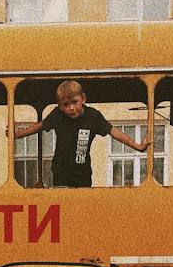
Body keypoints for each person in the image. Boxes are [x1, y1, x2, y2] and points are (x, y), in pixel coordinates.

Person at [14, 80, 149, 188]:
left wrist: (138, 146)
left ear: (83, 99)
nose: (71, 108)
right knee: (65, 204)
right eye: (65, 105)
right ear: (60, 106)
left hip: (82, 174)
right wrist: (18, 134)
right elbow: (39, 126)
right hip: (61, 172)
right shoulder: (57, 115)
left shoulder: (93, 117)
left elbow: (114, 132)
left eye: (74, 102)